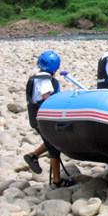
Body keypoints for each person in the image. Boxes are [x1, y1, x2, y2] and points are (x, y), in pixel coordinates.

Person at [24, 50, 74, 188]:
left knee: (50, 141)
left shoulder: (34, 78)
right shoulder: (45, 80)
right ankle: (57, 180)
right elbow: (47, 97)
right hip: (43, 120)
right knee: (53, 146)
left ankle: (33, 156)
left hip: (35, 118)